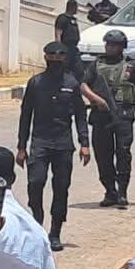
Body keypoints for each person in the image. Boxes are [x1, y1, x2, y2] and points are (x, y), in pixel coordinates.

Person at [17, 42, 90, 251]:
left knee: (61, 187)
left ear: (65, 59)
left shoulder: (72, 83)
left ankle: (55, 232)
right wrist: (21, 147)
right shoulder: (36, 83)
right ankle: (37, 223)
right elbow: (25, 115)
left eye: (60, 58)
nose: (56, 62)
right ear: (46, 59)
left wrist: (84, 143)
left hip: (63, 144)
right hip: (40, 142)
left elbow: (80, 115)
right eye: (52, 58)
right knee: (35, 182)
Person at [82, 28, 135, 209]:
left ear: (122, 47)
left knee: (123, 154)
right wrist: (96, 99)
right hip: (101, 116)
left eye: (114, 45)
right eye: (108, 44)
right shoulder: (96, 65)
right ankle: (110, 191)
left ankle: (122, 192)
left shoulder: (131, 67)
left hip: (123, 115)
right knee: (103, 156)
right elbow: (83, 85)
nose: (110, 48)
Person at [54, 0, 84, 79]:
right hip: (66, 48)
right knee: (65, 69)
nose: (77, 9)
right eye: (76, 7)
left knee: (79, 70)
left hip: (74, 48)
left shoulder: (73, 19)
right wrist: (59, 48)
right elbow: (58, 34)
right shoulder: (62, 18)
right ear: (72, 7)